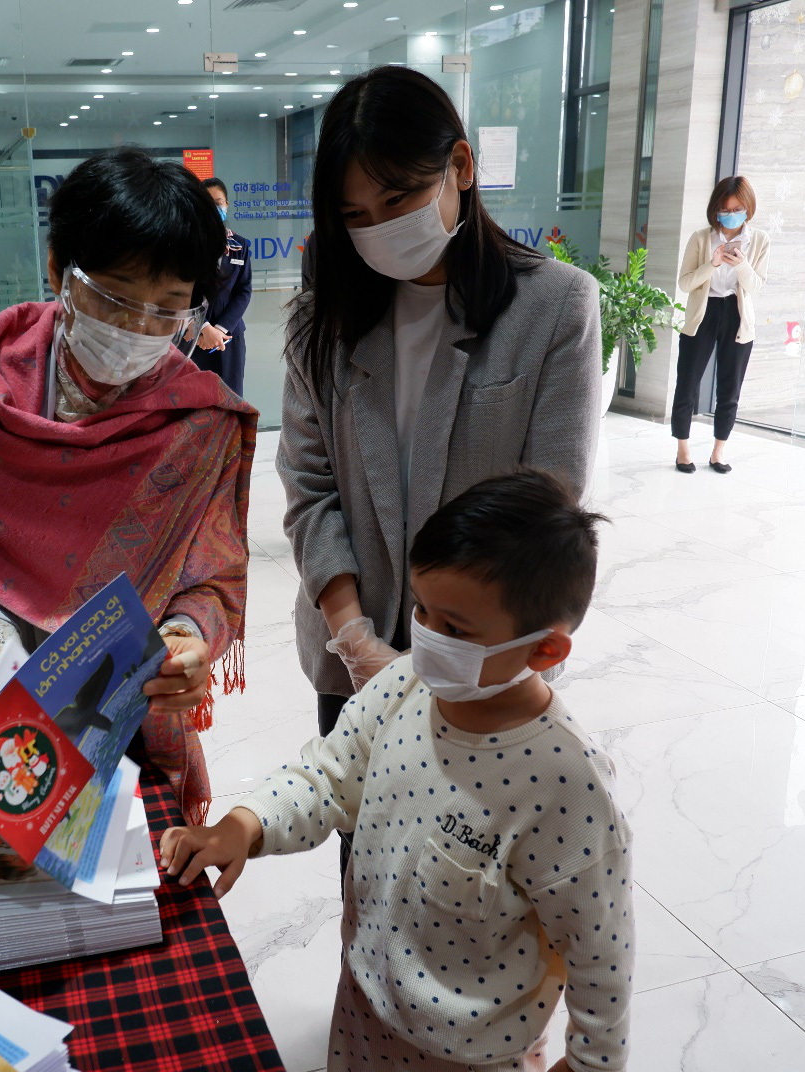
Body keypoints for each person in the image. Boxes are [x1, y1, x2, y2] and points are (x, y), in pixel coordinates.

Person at [161, 470, 632, 1072]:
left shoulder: (567, 788)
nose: (427, 636)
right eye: (423, 610)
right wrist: (246, 823)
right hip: (362, 1012)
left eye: (455, 629)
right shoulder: (402, 686)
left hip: (472, 1055)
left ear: (545, 649)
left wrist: (591, 1062)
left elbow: (602, 956)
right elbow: (326, 776)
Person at [280, 65, 601, 853]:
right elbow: (310, 487)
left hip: (482, 668)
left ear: (461, 167)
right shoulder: (323, 320)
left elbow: (546, 508)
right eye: (355, 213)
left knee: (475, 893)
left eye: (397, 201)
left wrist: (447, 653)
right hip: (350, 656)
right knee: (369, 878)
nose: (379, 227)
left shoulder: (555, 306)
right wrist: (356, 640)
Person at [0, 146, 256, 825]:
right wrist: (2, 655)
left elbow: (213, 574)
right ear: (58, 271)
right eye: (116, 298)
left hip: (128, 710)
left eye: (168, 309)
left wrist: (190, 639)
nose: (138, 329)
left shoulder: (200, 422)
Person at [671, 176, 769, 474]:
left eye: (738, 208)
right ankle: (683, 450)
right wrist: (712, 264)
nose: (731, 214)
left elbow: (755, 287)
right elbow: (685, 283)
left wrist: (740, 263)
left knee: (730, 389)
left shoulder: (760, 240)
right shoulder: (701, 238)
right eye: (725, 209)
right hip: (704, 312)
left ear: (748, 208)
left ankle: (718, 452)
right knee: (687, 384)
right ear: (716, 209)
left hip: (738, 316)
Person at [191, 177, 252, 396]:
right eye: (208, 204)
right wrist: (204, 327)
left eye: (219, 203)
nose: (215, 208)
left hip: (229, 337)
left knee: (231, 397)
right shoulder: (186, 245)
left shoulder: (240, 245)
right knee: (196, 398)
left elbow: (244, 291)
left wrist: (220, 329)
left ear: (227, 205)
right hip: (194, 336)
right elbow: (184, 292)